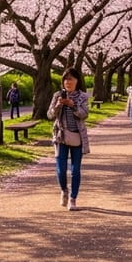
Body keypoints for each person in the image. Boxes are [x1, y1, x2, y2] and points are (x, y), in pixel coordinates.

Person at [48, 69, 90, 211]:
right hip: (61, 137)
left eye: (71, 79)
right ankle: (64, 190)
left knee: (75, 170)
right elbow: (50, 115)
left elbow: (84, 115)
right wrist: (59, 105)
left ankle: (73, 199)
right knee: (61, 169)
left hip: (77, 137)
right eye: (66, 79)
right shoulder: (57, 95)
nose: (68, 82)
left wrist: (73, 105)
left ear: (77, 81)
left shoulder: (83, 97)